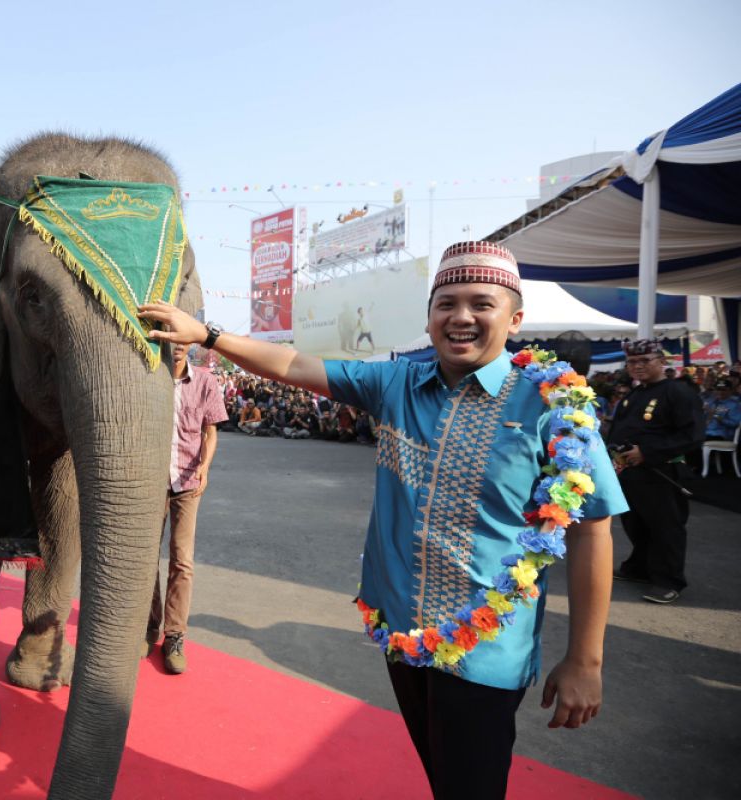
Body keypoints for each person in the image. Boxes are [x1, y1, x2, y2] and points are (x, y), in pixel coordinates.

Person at [140, 241, 627, 800]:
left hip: (488, 649)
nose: (461, 317)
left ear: (515, 318)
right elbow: (296, 365)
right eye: (446, 303)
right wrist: (208, 335)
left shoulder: (553, 407)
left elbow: (592, 530)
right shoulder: (394, 385)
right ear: (429, 317)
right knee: (442, 775)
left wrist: (585, 660)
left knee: (471, 785)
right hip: (401, 630)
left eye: (481, 304)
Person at [146, 341, 228, 674]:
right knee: (146, 557)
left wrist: (205, 466)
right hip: (151, 483)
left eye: (183, 340)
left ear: (190, 344)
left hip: (189, 482)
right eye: (172, 340)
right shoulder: (151, 376)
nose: (177, 346)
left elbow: (210, 432)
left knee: (182, 560)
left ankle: (175, 635)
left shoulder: (206, 381)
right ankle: (149, 626)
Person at [605, 340, 705, 605]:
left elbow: (692, 435)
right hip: (631, 472)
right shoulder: (634, 393)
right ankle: (639, 568)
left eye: (644, 361)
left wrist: (647, 451)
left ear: (662, 362)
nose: (637, 367)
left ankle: (669, 581)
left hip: (662, 472)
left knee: (665, 528)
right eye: (632, 362)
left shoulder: (678, 392)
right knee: (636, 523)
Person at [702, 377, 741, 444]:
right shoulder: (711, 402)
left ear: (730, 391)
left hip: (722, 435)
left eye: (724, 390)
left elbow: (735, 424)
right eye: (718, 389)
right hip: (705, 432)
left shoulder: (734, 405)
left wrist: (716, 416)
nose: (720, 392)